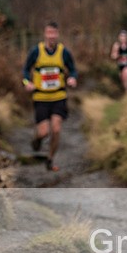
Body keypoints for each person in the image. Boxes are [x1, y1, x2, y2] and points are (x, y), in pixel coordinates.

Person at [22, 21, 77, 172]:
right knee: (44, 132)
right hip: (41, 98)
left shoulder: (63, 52)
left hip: (59, 96)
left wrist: (72, 78)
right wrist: (27, 83)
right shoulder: (36, 51)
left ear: (57, 34)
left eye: (54, 33)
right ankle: (37, 139)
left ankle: (50, 159)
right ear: (45, 34)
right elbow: (25, 71)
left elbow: (73, 70)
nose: (51, 36)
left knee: (57, 129)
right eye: (49, 33)